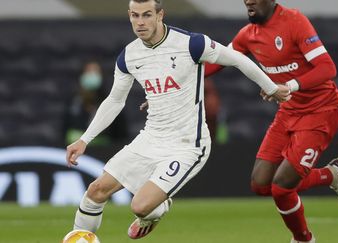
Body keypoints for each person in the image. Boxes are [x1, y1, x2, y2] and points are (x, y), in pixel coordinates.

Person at [65, 0, 291, 240]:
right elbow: (114, 101)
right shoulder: (129, 56)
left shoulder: (192, 44)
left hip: (187, 145)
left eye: (147, 15)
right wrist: (84, 140)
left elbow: (237, 59)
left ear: (160, 14)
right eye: (135, 16)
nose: (140, 22)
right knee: (95, 191)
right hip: (150, 138)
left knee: (140, 206)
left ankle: (157, 207)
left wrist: (271, 87)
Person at [205, 1, 338, 242]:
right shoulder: (248, 35)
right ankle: (331, 175)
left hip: (321, 110)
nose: (248, 1)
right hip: (288, 112)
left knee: (282, 187)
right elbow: (218, 62)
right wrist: (177, 88)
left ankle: (303, 239)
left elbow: (327, 67)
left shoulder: (294, 22)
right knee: (261, 185)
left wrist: (290, 86)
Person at [64, 60, 128, 146]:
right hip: (74, 150)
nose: (92, 75)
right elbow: (64, 129)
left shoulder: (111, 101)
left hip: (102, 151)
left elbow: (120, 133)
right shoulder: (72, 101)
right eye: (89, 71)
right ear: (82, 75)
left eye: (95, 72)